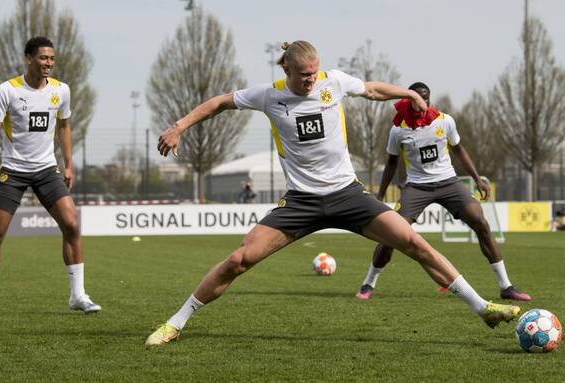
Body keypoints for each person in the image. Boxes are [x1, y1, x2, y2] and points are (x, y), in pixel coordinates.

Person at [145, 41, 520, 347]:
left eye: (315, 73)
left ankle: (483, 307)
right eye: (304, 75)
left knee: (413, 242)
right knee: (239, 260)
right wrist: (179, 126)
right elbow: (219, 103)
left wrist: (406, 91)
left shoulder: (333, 82)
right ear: (286, 71)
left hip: (347, 195)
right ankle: (176, 323)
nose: (312, 81)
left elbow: (372, 90)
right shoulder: (268, 96)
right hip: (301, 202)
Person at [355, 83, 531, 302]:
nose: (423, 103)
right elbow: (391, 163)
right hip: (417, 186)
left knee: (481, 223)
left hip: (449, 183)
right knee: (393, 233)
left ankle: (506, 287)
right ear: (409, 99)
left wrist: (477, 180)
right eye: (418, 98)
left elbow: (459, 150)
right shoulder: (398, 129)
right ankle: (368, 283)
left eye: (426, 98)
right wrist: (380, 196)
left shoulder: (444, 121)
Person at [0, 37, 101, 318]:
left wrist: (68, 164)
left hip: (46, 170)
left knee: (72, 224)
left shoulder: (62, 91)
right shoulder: (7, 91)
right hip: (13, 170)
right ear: (28, 59)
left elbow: (64, 126)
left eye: (51, 58)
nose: (48, 63)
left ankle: (78, 296)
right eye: (42, 58)